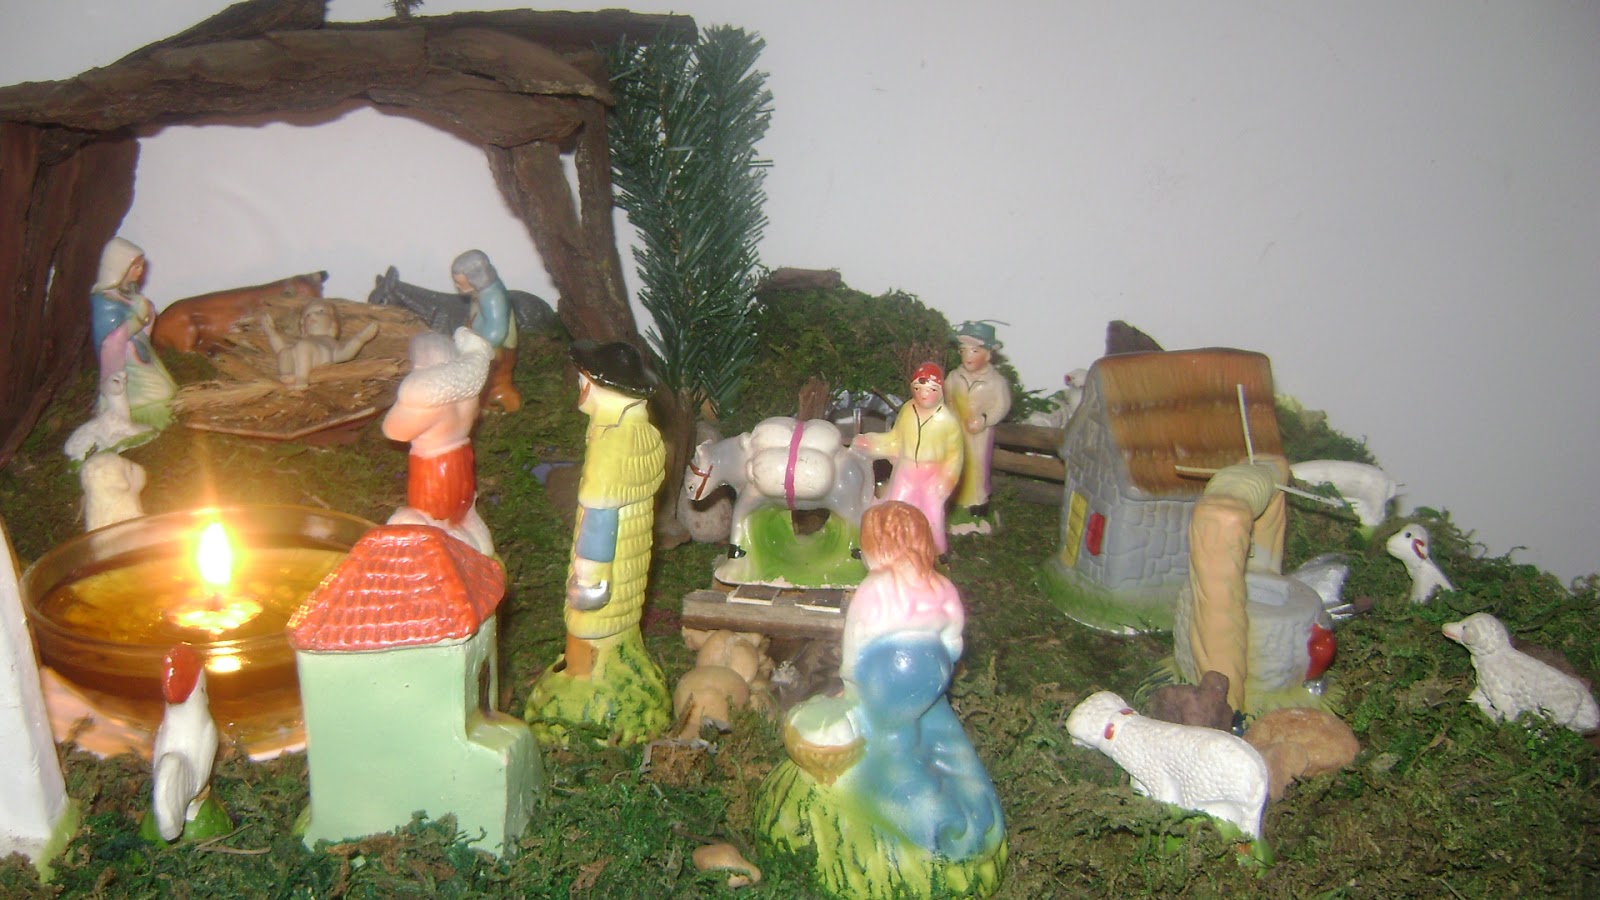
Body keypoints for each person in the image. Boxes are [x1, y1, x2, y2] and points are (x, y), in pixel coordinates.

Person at [830, 501, 1003, 859]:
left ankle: (929, 822)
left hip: (890, 674)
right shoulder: (940, 585)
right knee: (941, 728)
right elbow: (954, 636)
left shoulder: (877, 588)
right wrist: (940, 667)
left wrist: (851, 681)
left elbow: (857, 638)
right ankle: (979, 807)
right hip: (934, 667)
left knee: (892, 741)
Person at [526, 340, 670, 744]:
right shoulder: (642, 433)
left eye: (583, 381)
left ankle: (580, 694)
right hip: (630, 563)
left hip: (605, 565)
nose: (580, 388)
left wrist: (589, 577)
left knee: (585, 631)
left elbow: (600, 514)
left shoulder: (612, 444)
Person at [381, 328, 495, 556]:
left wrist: (406, 395)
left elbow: (393, 431)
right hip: (461, 461)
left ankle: (457, 558)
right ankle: (481, 550)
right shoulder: (468, 394)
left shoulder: (427, 399)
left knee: (431, 520)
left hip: (434, 471)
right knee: (460, 515)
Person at [852, 362, 963, 553]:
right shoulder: (908, 410)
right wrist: (871, 442)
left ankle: (936, 553)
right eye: (918, 389)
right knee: (894, 506)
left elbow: (955, 456)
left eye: (931, 390)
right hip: (906, 470)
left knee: (932, 514)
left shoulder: (947, 420)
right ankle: (886, 547)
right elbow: (895, 439)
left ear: (940, 391)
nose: (924, 394)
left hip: (932, 475)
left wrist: (947, 480)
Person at [90, 237, 176, 429]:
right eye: (135, 266)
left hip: (138, 352)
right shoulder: (105, 302)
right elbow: (112, 338)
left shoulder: (127, 292)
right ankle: (139, 415)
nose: (140, 271)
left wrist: (147, 312)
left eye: (141, 266)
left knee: (167, 388)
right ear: (118, 267)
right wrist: (140, 318)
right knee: (160, 393)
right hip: (124, 360)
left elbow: (142, 321)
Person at [946, 320, 1012, 533]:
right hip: (956, 431)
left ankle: (977, 504)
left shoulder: (995, 382)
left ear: (988, 354)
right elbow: (946, 399)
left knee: (977, 467)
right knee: (956, 464)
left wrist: (984, 419)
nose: (968, 356)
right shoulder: (954, 377)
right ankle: (954, 500)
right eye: (963, 350)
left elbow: (1001, 406)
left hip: (979, 436)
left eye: (974, 350)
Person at [450, 250, 519, 412]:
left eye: (460, 282)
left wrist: (475, 344)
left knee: (490, 378)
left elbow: (496, 333)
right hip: (482, 339)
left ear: (476, 278)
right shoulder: (481, 292)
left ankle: (496, 399)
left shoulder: (492, 297)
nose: (457, 286)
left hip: (494, 348)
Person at [260, 299, 379, 391]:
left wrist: (361, 339)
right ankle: (287, 375)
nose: (312, 316)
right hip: (297, 360)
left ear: (333, 322)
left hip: (320, 359)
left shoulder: (330, 342)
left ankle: (302, 378)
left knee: (303, 346)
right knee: (284, 352)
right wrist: (271, 333)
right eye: (307, 315)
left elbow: (344, 354)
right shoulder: (303, 341)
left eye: (320, 312)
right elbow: (280, 349)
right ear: (302, 326)